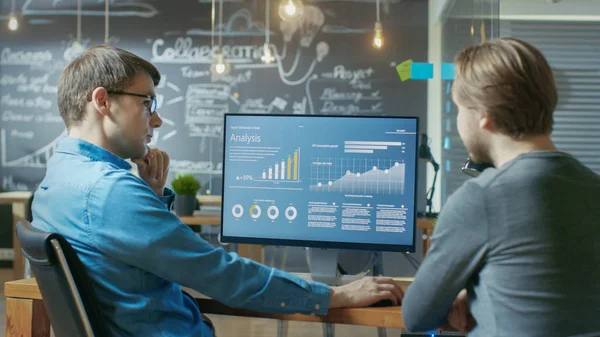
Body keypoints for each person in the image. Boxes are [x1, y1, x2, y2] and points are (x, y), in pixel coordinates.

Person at [30, 45, 404, 337]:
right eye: (147, 103)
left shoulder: (56, 180)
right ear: (102, 101)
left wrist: (150, 194)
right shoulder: (110, 192)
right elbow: (220, 273)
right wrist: (333, 295)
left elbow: (128, 261)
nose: (157, 120)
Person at [402, 37, 600, 336]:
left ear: (483, 116)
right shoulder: (593, 187)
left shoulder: (480, 198)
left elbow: (416, 317)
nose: (458, 121)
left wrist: (468, 301)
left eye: (459, 108)